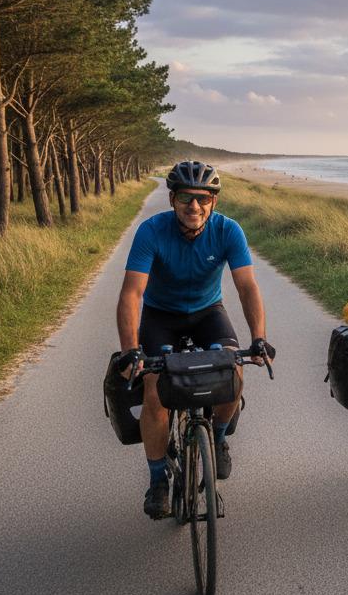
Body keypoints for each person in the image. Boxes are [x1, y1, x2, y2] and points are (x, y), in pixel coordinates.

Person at [115, 161, 275, 519]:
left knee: (234, 372)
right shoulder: (152, 231)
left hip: (207, 313)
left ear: (213, 202)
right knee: (155, 390)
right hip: (161, 316)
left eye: (204, 199)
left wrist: (259, 338)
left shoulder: (228, 231)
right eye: (187, 197)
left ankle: (217, 440)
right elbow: (131, 294)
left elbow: (247, 286)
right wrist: (131, 351)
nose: (195, 206)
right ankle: (158, 479)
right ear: (172, 199)